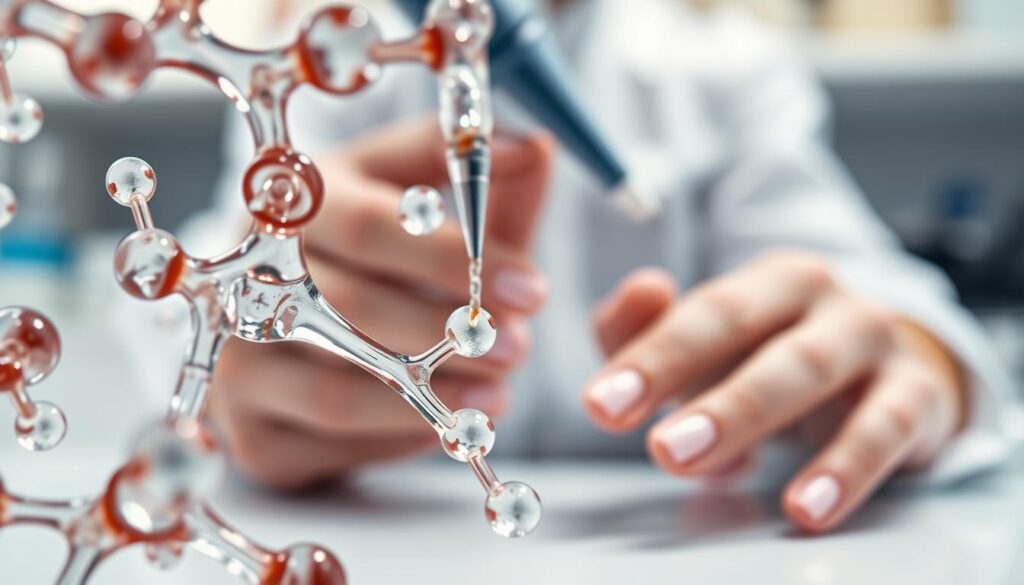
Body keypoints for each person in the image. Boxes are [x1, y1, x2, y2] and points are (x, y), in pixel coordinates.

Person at [167, 0, 1015, 535]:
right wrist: (237, 366)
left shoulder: (727, 64)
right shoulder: (314, 62)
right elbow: (193, 297)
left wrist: (914, 359)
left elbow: (864, 285)